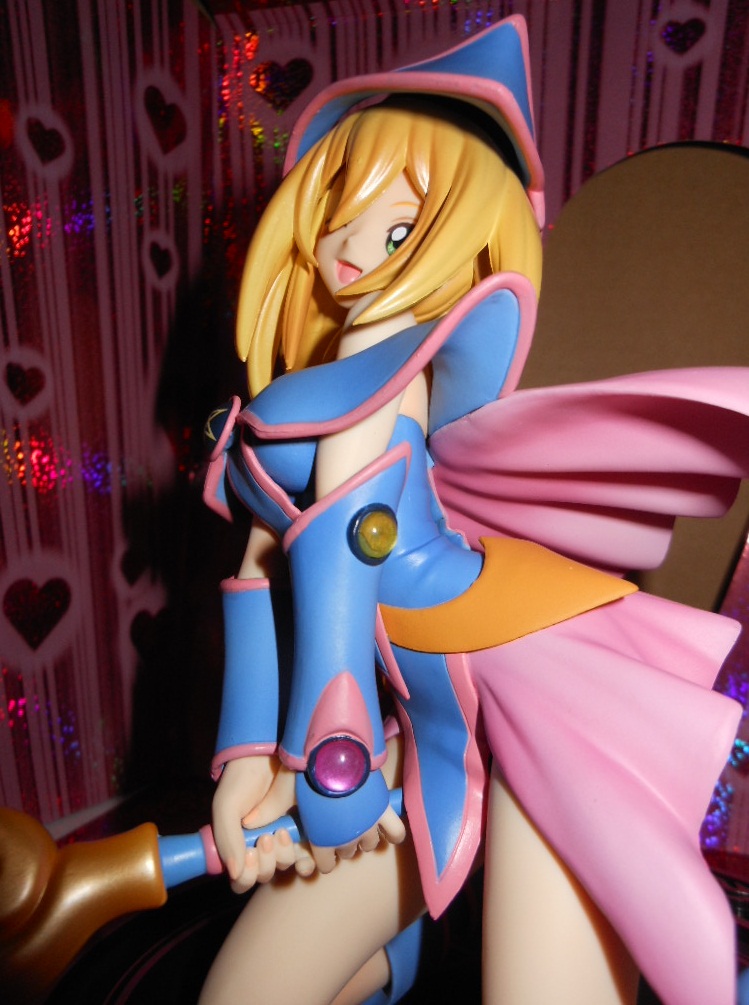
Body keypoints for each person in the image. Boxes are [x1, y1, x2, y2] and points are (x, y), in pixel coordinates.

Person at [200, 16, 748, 1004]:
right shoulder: (294, 400)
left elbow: (340, 566)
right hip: (423, 721)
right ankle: (392, 956)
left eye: (400, 228)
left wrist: (326, 769)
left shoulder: (378, 382)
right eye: (342, 209)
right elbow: (259, 579)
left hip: (534, 690)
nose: (350, 249)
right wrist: (249, 760)